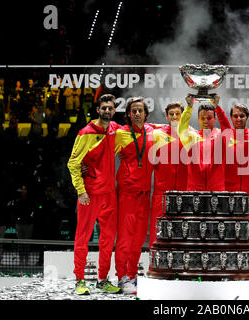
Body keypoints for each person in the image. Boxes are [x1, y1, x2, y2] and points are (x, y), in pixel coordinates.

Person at [67, 93, 121, 295]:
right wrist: (81, 191)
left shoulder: (116, 130)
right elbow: (73, 163)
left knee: (108, 240)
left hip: (109, 195)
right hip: (89, 195)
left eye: (111, 108)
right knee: (82, 238)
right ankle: (79, 280)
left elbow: (133, 137)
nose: (107, 111)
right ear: (98, 110)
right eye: (104, 108)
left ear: (114, 111)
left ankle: (102, 279)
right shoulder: (85, 133)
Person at [114, 97, 155, 294]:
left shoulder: (152, 132)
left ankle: (132, 275)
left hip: (145, 194)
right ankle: (122, 276)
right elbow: (101, 149)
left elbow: (174, 126)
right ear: (128, 114)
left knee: (139, 239)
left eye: (140, 110)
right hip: (128, 194)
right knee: (124, 238)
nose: (137, 113)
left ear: (146, 114)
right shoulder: (120, 133)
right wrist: (85, 165)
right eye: (133, 111)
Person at [149, 102, 187, 249]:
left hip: (183, 193)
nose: (175, 117)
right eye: (171, 114)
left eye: (178, 114)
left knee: (181, 231)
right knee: (157, 230)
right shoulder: (157, 134)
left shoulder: (190, 134)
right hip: (161, 192)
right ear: (166, 116)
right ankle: (155, 265)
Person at [214, 101, 249, 218]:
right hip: (229, 192)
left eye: (242, 116)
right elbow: (223, 122)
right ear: (231, 117)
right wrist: (217, 106)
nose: (238, 119)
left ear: (247, 117)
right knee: (230, 229)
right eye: (235, 116)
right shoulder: (225, 136)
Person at [178, 94, 227, 191]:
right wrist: (189, 107)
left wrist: (217, 107)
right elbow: (181, 128)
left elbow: (228, 130)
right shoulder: (192, 136)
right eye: (202, 118)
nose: (205, 121)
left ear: (215, 119)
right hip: (194, 190)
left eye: (209, 118)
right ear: (198, 119)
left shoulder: (220, 135)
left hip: (216, 190)